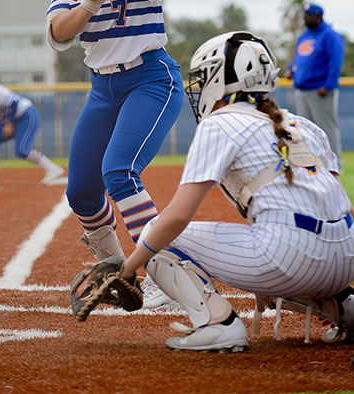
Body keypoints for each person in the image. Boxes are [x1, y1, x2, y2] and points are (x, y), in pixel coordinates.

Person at [117, 31, 354, 352]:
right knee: (297, 234)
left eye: (204, 78)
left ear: (221, 78)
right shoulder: (302, 125)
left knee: (157, 233)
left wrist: (129, 268)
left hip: (292, 258)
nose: (200, 88)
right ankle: (346, 305)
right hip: (345, 262)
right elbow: (343, 208)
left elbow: (177, 217)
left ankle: (217, 326)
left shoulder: (219, 123)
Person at [37, 0, 206, 307]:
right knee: (82, 192)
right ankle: (116, 274)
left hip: (150, 78)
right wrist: (90, 0)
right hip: (102, 87)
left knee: (118, 171)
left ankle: (166, 277)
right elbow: (59, 34)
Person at [0, 64, 66, 186]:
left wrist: (9, 123)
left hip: (26, 115)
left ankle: (53, 169)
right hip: (10, 120)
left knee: (21, 150)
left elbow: (14, 103)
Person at [285, 3, 345, 162]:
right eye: (305, 15)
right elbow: (299, 58)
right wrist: (291, 69)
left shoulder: (330, 35)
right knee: (304, 130)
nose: (306, 18)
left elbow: (336, 62)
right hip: (302, 90)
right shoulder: (305, 35)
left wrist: (328, 85)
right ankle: (312, 162)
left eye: (309, 15)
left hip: (320, 90)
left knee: (327, 129)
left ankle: (335, 164)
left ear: (318, 16)